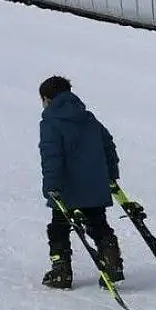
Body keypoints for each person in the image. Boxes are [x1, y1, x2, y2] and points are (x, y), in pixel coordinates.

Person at [37, 76, 124, 290]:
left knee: (59, 228)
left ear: (47, 99)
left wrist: (51, 186)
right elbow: (108, 145)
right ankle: (112, 262)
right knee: (98, 224)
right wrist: (110, 175)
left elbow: (52, 156)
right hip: (95, 185)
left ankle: (61, 271)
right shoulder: (88, 118)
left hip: (66, 189)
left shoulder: (50, 122)